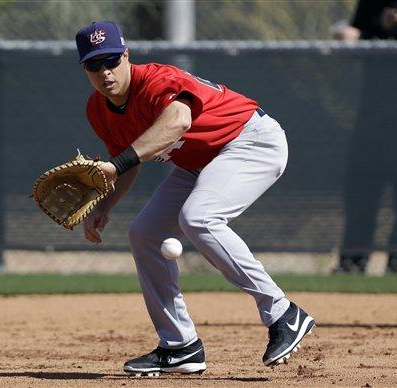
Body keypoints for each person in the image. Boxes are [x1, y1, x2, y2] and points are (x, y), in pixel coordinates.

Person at [75, 21, 315, 376]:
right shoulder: (98, 110)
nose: (105, 72)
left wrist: (117, 164)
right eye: (95, 65)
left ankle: (282, 312)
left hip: (250, 141)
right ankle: (179, 346)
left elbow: (178, 122)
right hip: (199, 163)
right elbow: (126, 164)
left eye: (111, 60)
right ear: (85, 69)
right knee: (144, 234)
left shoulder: (155, 81)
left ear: (127, 56)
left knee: (199, 217)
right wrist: (105, 207)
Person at [333, 0, 397, 274]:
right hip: (372, 110)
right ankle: (352, 260)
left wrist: (394, 26)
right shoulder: (371, 4)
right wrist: (363, 33)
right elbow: (357, 36)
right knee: (361, 188)